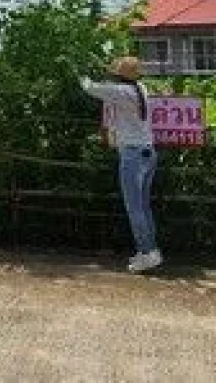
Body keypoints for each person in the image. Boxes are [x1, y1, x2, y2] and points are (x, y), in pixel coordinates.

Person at [80, 56, 162, 273]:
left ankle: (147, 252)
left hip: (133, 154)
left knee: (134, 208)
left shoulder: (121, 92)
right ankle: (150, 250)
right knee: (143, 207)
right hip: (148, 151)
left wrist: (81, 73)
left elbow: (89, 87)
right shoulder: (140, 88)